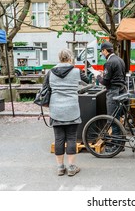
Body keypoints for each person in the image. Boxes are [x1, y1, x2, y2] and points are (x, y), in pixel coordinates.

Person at [48, 48, 89, 176]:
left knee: (59, 138)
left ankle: (60, 167)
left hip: (56, 109)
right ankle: (71, 167)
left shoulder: (50, 72)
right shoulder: (76, 71)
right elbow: (87, 80)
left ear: (59, 58)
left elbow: (45, 89)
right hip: (72, 109)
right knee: (71, 137)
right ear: (70, 58)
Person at [96, 41, 126, 151]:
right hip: (122, 90)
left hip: (113, 92)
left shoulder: (109, 63)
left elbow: (106, 82)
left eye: (102, 51)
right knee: (118, 116)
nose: (102, 54)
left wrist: (98, 77)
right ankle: (117, 141)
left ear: (105, 50)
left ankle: (116, 146)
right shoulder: (119, 60)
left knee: (112, 118)